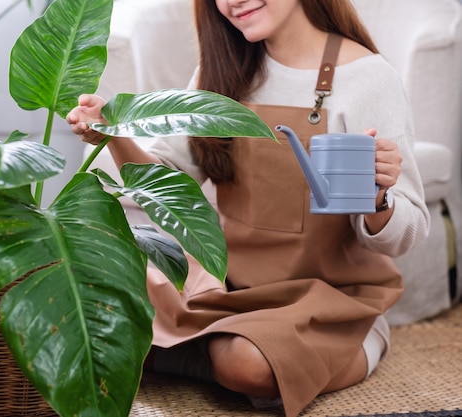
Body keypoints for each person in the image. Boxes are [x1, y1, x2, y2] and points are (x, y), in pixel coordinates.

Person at [66, 0, 430, 415]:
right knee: (89, 293)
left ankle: (356, 339)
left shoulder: (367, 77)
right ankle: (219, 346)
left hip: (325, 297)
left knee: (245, 366)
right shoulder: (221, 72)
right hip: (226, 287)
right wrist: (112, 134)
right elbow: (166, 179)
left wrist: (378, 197)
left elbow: (408, 231)